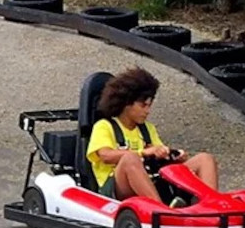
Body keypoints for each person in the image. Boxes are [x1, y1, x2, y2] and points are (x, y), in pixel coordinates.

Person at [85, 66, 219, 204]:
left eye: (150, 106)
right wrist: (142, 153)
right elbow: (105, 155)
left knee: (205, 159)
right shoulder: (104, 126)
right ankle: (160, 209)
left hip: (151, 179)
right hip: (116, 188)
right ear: (126, 103)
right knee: (130, 159)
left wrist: (173, 155)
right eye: (143, 106)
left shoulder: (147, 129)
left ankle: (211, 206)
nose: (148, 111)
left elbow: (159, 154)